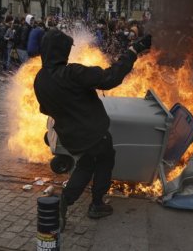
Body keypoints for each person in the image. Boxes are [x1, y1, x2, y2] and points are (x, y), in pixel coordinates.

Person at [34, 28, 152, 230]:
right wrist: (132, 51)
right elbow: (110, 78)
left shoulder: (40, 79)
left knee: (86, 164)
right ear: (62, 51)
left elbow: (45, 109)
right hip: (94, 133)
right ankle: (97, 204)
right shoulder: (72, 73)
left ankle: (65, 201)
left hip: (70, 136)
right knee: (105, 160)